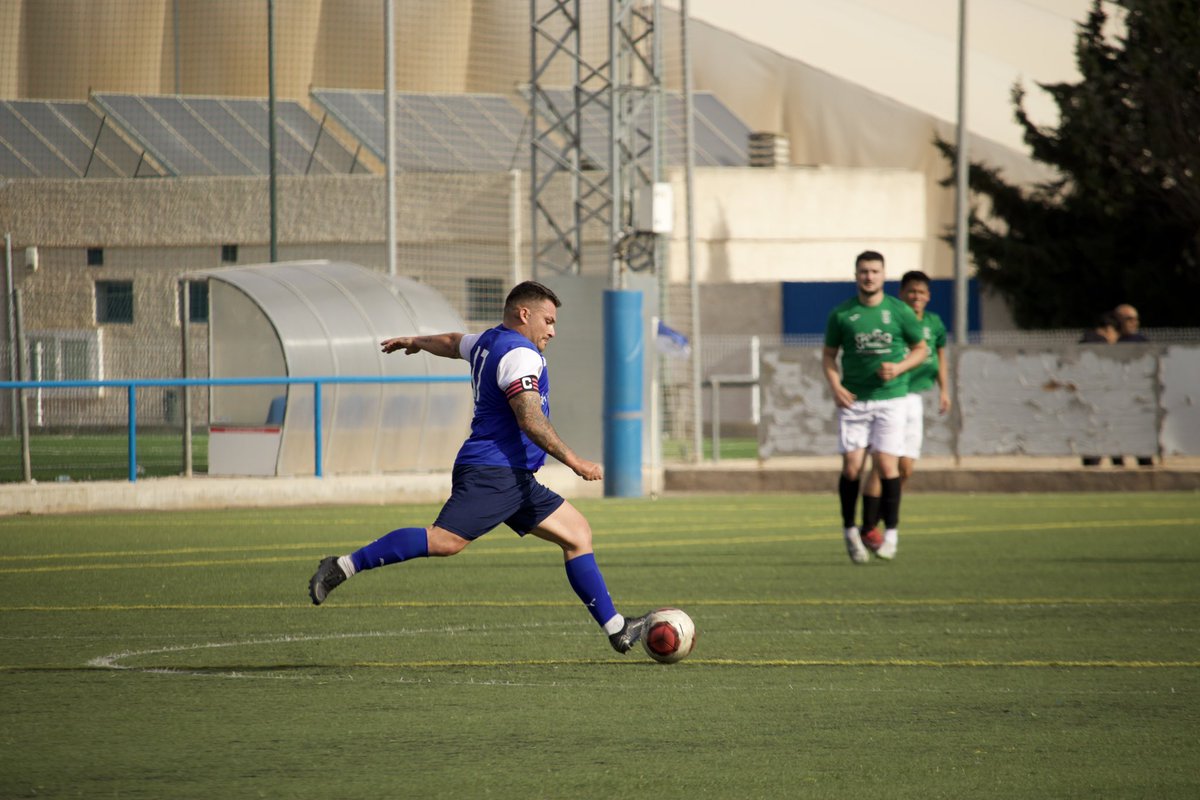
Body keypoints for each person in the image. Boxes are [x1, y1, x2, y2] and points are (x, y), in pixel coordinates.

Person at [307, 281, 649, 654]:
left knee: (577, 534)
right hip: (495, 471)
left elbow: (453, 342)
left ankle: (617, 629)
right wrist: (575, 461)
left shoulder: (489, 340)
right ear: (524, 314)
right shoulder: (521, 355)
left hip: (513, 476)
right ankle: (343, 565)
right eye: (548, 321)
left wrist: (417, 341)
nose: (552, 330)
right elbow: (530, 419)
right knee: (444, 541)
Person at [823, 251, 928, 564]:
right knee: (852, 467)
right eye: (864, 271)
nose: (869, 277)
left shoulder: (899, 311)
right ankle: (849, 530)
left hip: (891, 398)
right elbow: (828, 356)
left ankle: (891, 533)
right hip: (854, 401)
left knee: (886, 466)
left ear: (883, 275)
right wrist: (836, 386)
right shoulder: (842, 314)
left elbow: (921, 349)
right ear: (856, 275)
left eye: (874, 271)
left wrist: (899, 368)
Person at [858, 270, 950, 549]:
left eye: (921, 292)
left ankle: (883, 514)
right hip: (891, 397)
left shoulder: (933, 323)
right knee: (883, 462)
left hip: (914, 399)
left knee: (906, 467)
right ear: (901, 294)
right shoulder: (892, 318)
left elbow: (940, 356)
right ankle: (870, 525)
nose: (916, 297)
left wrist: (944, 389)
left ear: (928, 296)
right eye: (911, 291)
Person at [1113, 303, 1154, 466]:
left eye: (1135, 319)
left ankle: (1145, 464)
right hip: (1117, 396)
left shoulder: (1141, 341)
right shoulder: (1111, 341)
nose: (1134, 322)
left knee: (1140, 433)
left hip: (1138, 395)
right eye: (1129, 319)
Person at [1079, 311, 1121, 466]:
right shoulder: (1103, 346)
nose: (1115, 340)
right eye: (1116, 335)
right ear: (1109, 329)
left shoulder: (1082, 342)